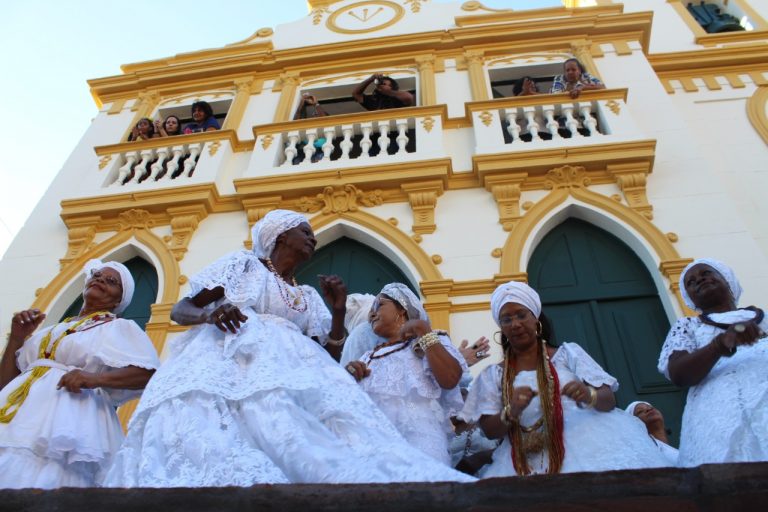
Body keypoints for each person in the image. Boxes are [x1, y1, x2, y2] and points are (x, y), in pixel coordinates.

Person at [103, 210, 474, 486]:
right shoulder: (243, 266)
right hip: (229, 363)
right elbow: (183, 310)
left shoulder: (307, 295)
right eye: (305, 231)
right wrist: (213, 315)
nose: (313, 238)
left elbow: (327, 357)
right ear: (280, 236)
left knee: (296, 435)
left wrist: (340, 309)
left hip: (287, 368)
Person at [460, 281, 669, 476]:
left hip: (592, 444)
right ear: (502, 328)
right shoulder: (493, 375)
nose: (515, 324)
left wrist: (589, 395)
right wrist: (512, 411)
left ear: (536, 319)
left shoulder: (569, 354)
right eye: (507, 319)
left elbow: (608, 400)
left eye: (521, 315)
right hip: (525, 459)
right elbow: (489, 431)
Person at [0, 260, 159, 489]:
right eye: (97, 275)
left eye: (111, 281)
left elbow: (148, 374)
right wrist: (17, 337)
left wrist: (95, 379)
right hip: (17, 415)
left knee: (45, 476)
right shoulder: (49, 330)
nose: (100, 280)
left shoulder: (118, 328)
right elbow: (6, 384)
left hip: (67, 420)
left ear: (118, 300)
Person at [657, 258, 768, 466]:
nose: (699, 279)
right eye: (690, 282)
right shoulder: (688, 326)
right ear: (690, 299)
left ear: (727, 280)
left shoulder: (765, 318)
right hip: (720, 421)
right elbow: (679, 374)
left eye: (707, 273)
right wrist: (718, 345)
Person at [345, 283, 466, 465]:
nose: (371, 314)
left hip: (423, 449)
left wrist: (423, 331)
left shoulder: (428, 342)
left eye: (379, 305)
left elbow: (450, 379)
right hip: (380, 453)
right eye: (370, 310)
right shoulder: (367, 357)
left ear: (402, 309)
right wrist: (349, 377)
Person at [625, 401, 679, 466]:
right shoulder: (641, 455)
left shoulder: (678, 451)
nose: (649, 409)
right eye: (640, 412)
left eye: (651, 407)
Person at [291, 93, 328, 163]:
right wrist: (301, 104)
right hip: (302, 153)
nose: (315, 116)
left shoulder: (324, 127)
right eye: (314, 114)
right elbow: (295, 123)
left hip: (319, 152)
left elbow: (324, 118)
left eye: (316, 114)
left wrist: (316, 104)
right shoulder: (307, 129)